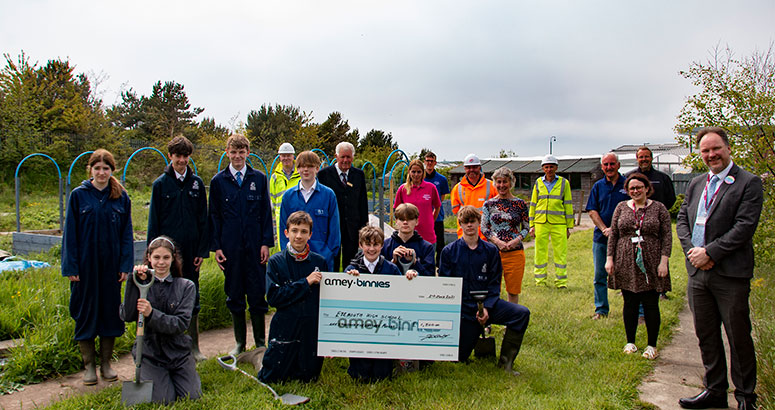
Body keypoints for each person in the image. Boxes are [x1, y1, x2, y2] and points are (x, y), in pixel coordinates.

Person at [676, 127, 763, 410]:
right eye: (705, 150)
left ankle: (745, 397)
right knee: (707, 334)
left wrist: (710, 252)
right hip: (698, 273)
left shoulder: (748, 183)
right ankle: (714, 390)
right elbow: (683, 221)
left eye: (716, 149)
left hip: (729, 274)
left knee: (737, 335)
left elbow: (744, 227)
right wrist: (693, 253)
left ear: (728, 148)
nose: (711, 154)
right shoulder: (697, 183)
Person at [61, 149, 132, 385]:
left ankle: (106, 364)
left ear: (112, 170)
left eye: (106, 168)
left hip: (111, 267)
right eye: (97, 168)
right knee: (85, 313)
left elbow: (126, 235)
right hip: (85, 268)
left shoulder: (121, 197)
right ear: (90, 170)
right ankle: (89, 366)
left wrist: (125, 264)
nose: (102, 173)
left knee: (110, 313)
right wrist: (71, 266)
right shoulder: (79, 196)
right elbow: (70, 234)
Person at [439, 206, 530, 374]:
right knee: (459, 358)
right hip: (464, 311)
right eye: (465, 222)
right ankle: (466, 340)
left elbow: (494, 284)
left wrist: (486, 308)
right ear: (460, 224)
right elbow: (446, 287)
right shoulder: (449, 252)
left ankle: (506, 363)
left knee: (521, 313)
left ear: (479, 223)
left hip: (489, 305)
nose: (469, 226)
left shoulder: (491, 251)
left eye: (472, 221)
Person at [209, 134, 273, 355]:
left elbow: (266, 213)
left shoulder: (259, 179)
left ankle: (260, 342)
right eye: (233, 152)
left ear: (248, 153)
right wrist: (216, 247)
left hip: (255, 247)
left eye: (241, 152)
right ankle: (239, 343)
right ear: (227, 153)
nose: (237, 156)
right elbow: (214, 216)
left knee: (257, 294)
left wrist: (266, 242)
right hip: (230, 248)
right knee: (234, 293)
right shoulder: (218, 181)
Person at [147, 135, 209, 361]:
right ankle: (166, 345)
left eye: (185, 156)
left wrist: (202, 251)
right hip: (167, 254)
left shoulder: (197, 184)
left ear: (189, 157)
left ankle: (193, 347)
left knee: (193, 296)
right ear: (170, 156)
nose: (181, 160)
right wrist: (151, 254)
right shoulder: (160, 184)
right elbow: (154, 221)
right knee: (164, 296)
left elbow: (204, 218)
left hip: (191, 251)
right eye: (177, 156)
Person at [120, 236, 201, 404]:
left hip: (178, 352)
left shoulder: (186, 286)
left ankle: (180, 375)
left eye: (166, 257)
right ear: (149, 258)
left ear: (173, 259)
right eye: (156, 257)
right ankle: (154, 375)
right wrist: (132, 281)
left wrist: (151, 313)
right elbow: (127, 316)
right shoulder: (140, 284)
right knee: (164, 399)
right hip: (150, 353)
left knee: (192, 396)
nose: (161, 263)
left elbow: (180, 324)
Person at [605, 173, 672, 360]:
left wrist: (664, 261)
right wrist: (609, 259)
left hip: (652, 261)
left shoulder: (659, 208)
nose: (635, 191)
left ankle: (652, 345)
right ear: (627, 191)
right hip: (625, 260)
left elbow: (667, 236)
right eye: (632, 188)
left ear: (647, 188)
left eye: (639, 187)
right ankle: (630, 342)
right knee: (630, 303)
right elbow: (614, 235)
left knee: (651, 303)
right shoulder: (621, 207)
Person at [258, 211, 328, 383]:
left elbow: (327, 300)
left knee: (308, 378)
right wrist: (305, 283)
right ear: (286, 233)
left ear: (310, 235)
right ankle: (259, 356)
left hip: (309, 329)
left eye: (304, 231)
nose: (299, 236)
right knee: (272, 377)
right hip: (286, 326)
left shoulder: (319, 262)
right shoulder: (275, 262)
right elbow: (274, 298)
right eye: (295, 230)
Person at [344, 225, 406, 382]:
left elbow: (402, 294)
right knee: (359, 376)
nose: (372, 249)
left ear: (382, 245)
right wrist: (349, 281)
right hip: (360, 326)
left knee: (382, 375)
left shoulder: (391, 269)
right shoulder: (352, 269)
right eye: (368, 244)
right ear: (360, 245)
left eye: (376, 244)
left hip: (383, 327)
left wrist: (410, 277)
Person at [627, 146, 677, 302]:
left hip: (657, 223)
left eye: (647, 157)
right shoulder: (629, 177)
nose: (644, 160)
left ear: (652, 158)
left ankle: (661, 290)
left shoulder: (662, 178)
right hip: (635, 224)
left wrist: (657, 214)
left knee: (660, 254)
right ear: (637, 158)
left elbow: (671, 199)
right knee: (633, 254)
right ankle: (631, 286)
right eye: (641, 157)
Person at [279, 151, 340, 271]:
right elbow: (283, 228)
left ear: (317, 168)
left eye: (310, 166)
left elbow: (334, 229)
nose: (306, 170)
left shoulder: (328, 195)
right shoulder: (288, 196)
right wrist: (286, 253)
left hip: (322, 257)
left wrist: (329, 253)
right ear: (297, 169)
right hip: (294, 257)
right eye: (302, 166)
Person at [586, 153, 629, 319]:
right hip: (601, 238)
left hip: (624, 238)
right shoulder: (598, 186)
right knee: (599, 276)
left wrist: (617, 230)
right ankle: (601, 310)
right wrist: (604, 228)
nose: (609, 168)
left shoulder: (627, 184)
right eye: (606, 165)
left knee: (628, 274)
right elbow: (592, 210)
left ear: (618, 165)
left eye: (612, 164)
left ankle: (634, 310)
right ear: (602, 167)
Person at [317, 142, 368, 271]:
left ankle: (348, 286)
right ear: (336, 156)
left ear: (353, 157)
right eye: (343, 157)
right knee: (332, 258)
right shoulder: (324, 175)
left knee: (351, 260)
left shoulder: (359, 175)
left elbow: (363, 202)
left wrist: (363, 228)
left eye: (348, 157)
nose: (345, 160)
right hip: (331, 226)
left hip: (352, 227)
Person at [482, 167, 530, 304]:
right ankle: (488, 322)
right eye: (499, 182)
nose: (502, 185)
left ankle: (512, 322)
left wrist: (516, 240)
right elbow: (485, 228)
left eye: (505, 182)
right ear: (494, 183)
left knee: (513, 290)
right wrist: (497, 242)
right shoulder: (489, 204)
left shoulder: (520, 204)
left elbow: (526, 227)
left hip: (514, 252)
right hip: (493, 252)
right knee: (491, 289)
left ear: (511, 183)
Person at [529, 154, 574, 288]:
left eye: (551, 167)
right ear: (543, 168)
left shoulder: (564, 183)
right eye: (546, 167)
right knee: (540, 252)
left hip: (559, 223)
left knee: (561, 253)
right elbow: (533, 204)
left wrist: (568, 226)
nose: (549, 170)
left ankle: (561, 282)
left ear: (556, 168)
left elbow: (568, 204)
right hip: (540, 222)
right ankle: (540, 281)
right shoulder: (538, 182)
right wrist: (532, 225)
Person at [393, 159, 441, 245]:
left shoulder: (431, 188)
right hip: (408, 235)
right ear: (409, 172)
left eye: (419, 172)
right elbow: (396, 210)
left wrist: (431, 220)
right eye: (413, 172)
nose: (416, 175)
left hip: (427, 234)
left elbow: (437, 206)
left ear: (423, 172)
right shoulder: (403, 189)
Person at [450, 153, 497, 240]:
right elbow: (456, 211)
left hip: (487, 236)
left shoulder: (491, 186)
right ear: (465, 169)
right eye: (468, 167)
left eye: (474, 167)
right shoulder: (457, 188)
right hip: (465, 236)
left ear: (479, 167)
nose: (471, 170)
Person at [382, 203, 436, 277]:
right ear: (396, 221)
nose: (405, 222)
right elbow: (379, 275)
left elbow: (431, 276)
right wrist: (393, 262)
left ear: (417, 221)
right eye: (401, 219)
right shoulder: (384, 245)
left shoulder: (426, 247)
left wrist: (415, 263)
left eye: (410, 219)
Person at [269, 142, 300, 254]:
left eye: (288, 155)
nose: (286, 158)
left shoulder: (300, 174)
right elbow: (272, 199)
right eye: (283, 155)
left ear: (293, 156)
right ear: (279, 157)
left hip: (299, 216)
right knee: (284, 250)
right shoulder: (275, 177)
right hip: (281, 218)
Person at [423, 151, 451, 264]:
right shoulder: (420, 177)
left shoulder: (442, 179)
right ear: (424, 162)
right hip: (423, 216)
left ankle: (439, 264)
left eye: (431, 161)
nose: (429, 163)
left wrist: (435, 205)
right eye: (427, 161)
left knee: (439, 242)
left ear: (435, 163)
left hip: (437, 216)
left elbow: (442, 196)